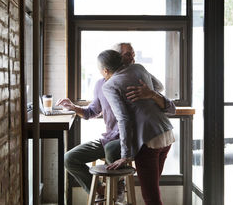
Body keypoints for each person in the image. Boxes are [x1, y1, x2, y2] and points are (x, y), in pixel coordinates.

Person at [56, 43, 165, 203]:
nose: (132, 58)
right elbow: (91, 112)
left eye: (133, 54)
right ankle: (102, 191)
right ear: (117, 57)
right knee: (69, 158)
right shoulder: (101, 84)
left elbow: (159, 89)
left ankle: (117, 188)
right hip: (110, 138)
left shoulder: (138, 75)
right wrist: (73, 107)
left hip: (135, 139)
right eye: (128, 55)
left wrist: (149, 93)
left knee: (111, 149)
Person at [99, 49, 176, 205]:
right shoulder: (139, 68)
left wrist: (125, 155)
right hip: (166, 134)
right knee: (153, 190)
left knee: (151, 197)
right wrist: (149, 92)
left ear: (105, 70)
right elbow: (159, 86)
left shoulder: (109, 85)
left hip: (148, 140)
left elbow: (123, 119)